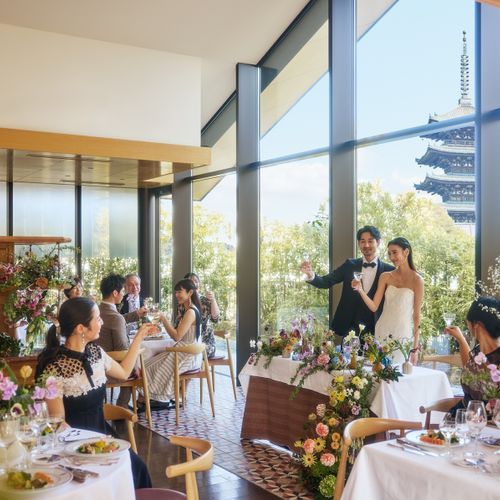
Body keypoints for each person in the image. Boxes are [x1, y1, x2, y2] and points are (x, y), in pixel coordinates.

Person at [35, 297, 156, 489]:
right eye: (97, 318)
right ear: (80, 328)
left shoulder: (96, 353)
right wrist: (83, 446)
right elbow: (57, 421)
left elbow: (124, 372)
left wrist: (139, 337)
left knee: (138, 468)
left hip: (103, 436)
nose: (102, 322)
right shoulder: (54, 369)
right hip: (74, 445)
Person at [300, 225, 394, 340]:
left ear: (378, 242)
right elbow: (326, 282)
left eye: (370, 241)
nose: (366, 245)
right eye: (362, 241)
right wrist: (310, 274)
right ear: (358, 243)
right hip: (350, 326)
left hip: (377, 326)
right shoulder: (350, 265)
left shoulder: (389, 271)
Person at [352, 237, 424, 364]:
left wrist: (415, 348)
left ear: (406, 252)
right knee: (379, 370)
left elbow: (417, 316)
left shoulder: (417, 280)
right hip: (382, 330)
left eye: (394, 252)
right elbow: (374, 306)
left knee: (399, 371)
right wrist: (360, 290)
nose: (391, 257)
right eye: (389, 253)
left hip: (402, 334)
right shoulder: (385, 276)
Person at [144, 279, 201, 407]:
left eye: (180, 292)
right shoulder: (189, 310)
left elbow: (176, 336)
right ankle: (154, 397)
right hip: (184, 350)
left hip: (185, 354)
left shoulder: (191, 312)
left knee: (147, 366)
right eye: (176, 292)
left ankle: (159, 398)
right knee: (149, 362)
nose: (176, 295)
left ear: (190, 293)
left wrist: (164, 319)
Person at [445, 296, 500, 411]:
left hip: (487, 419)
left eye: (468, 323)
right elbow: (470, 369)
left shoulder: (496, 360)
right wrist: (461, 339)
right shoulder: (479, 351)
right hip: (463, 414)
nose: (468, 327)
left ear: (476, 324)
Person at [96, 274, 133, 408]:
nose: (124, 294)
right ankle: (123, 406)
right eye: (123, 291)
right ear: (115, 293)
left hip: (95, 363)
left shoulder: (94, 311)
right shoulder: (116, 317)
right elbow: (122, 349)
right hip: (110, 368)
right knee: (135, 365)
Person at [176, 272, 220, 358]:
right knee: (172, 352)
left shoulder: (205, 301)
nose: (194, 283)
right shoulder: (181, 304)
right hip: (188, 343)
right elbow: (177, 325)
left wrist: (213, 299)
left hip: (205, 345)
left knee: (180, 354)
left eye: (196, 281)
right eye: (191, 281)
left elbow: (216, 318)